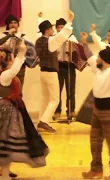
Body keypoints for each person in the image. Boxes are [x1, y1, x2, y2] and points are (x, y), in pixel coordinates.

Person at [0, 41, 49, 180]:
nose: (12, 59)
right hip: (6, 111)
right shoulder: (5, 75)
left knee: (5, 143)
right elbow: (15, 69)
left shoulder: (5, 74)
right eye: (11, 58)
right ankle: (4, 175)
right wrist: (22, 53)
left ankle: (4, 172)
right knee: (6, 142)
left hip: (9, 110)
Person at [80, 32, 110, 180]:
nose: (96, 59)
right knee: (95, 142)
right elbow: (89, 56)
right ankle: (96, 170)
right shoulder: (99, 69)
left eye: (99, 57)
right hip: (97, 109)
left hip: (109, 111)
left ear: (104, 60)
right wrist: (85, 42)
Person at [35, 11, 74, 133]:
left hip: (42, 72)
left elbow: (54, 34)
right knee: (54, 99)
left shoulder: (38, 40)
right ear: (47, 30)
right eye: (51, 28)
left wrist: (39, 18)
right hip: (51, 72)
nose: (53, 30)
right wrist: (70, 21)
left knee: (44, 98)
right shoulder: (50, 42)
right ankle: (44, 122)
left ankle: (39, 122)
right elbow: (62, 35)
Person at [0, 14, 30, 97]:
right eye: (11, 23)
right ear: (7, 25)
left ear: (18, 25)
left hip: (20, 67)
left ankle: (18, 106)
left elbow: (30, 51)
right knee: (6, 89)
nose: (13, 24)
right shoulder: (3, 35)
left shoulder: (24, 36)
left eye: (15, 22)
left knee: (19, 88)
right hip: (6, 67)